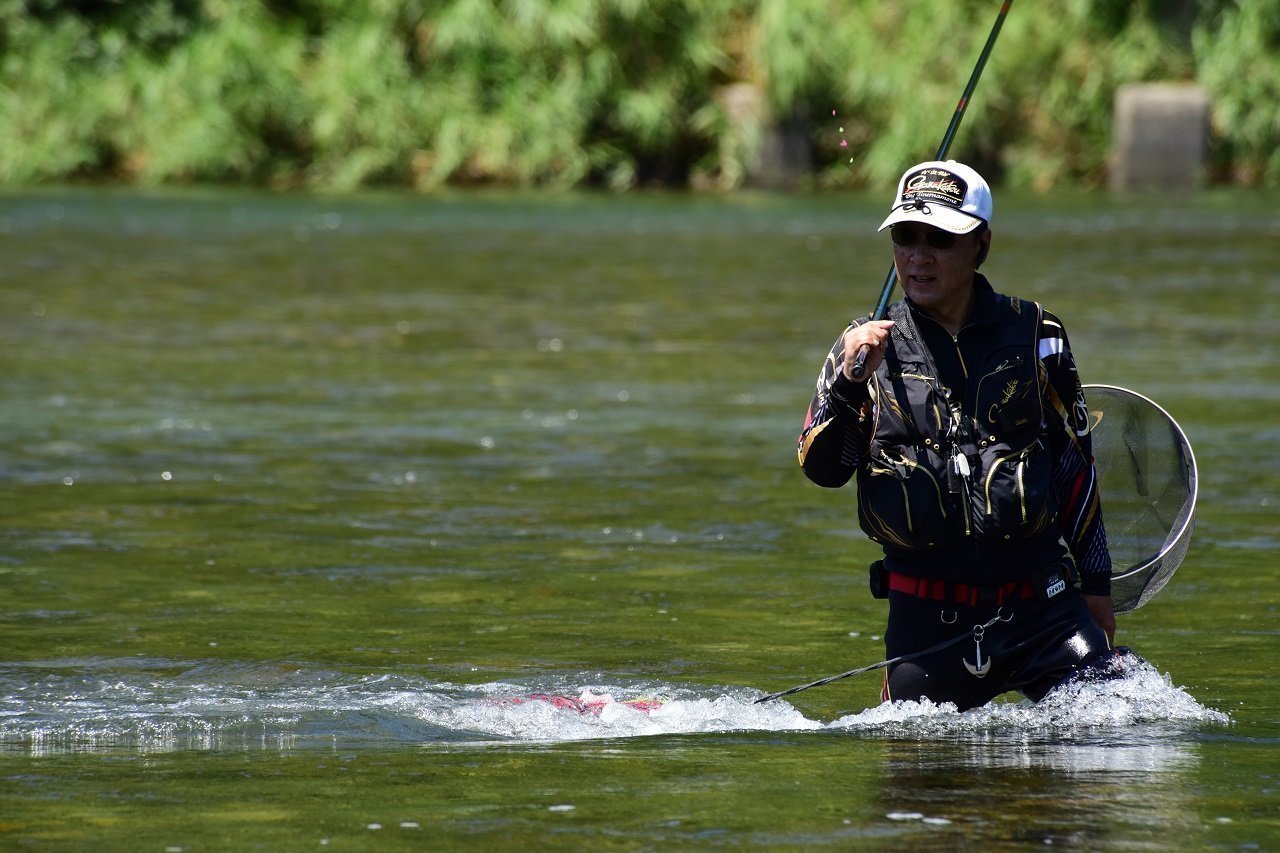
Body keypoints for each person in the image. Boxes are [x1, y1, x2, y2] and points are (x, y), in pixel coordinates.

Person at [797, 160, 1122, 711]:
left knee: (1117, 742)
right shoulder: (861, 347)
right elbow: (824, 470)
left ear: (981, 245)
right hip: (927, 626)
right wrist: (853, 382)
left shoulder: (1038, 333)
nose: (919, 256)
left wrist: (1096, 590)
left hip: (1044, 610)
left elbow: (1074, 470)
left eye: (941, 239)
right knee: (921, 786)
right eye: (905, 237)